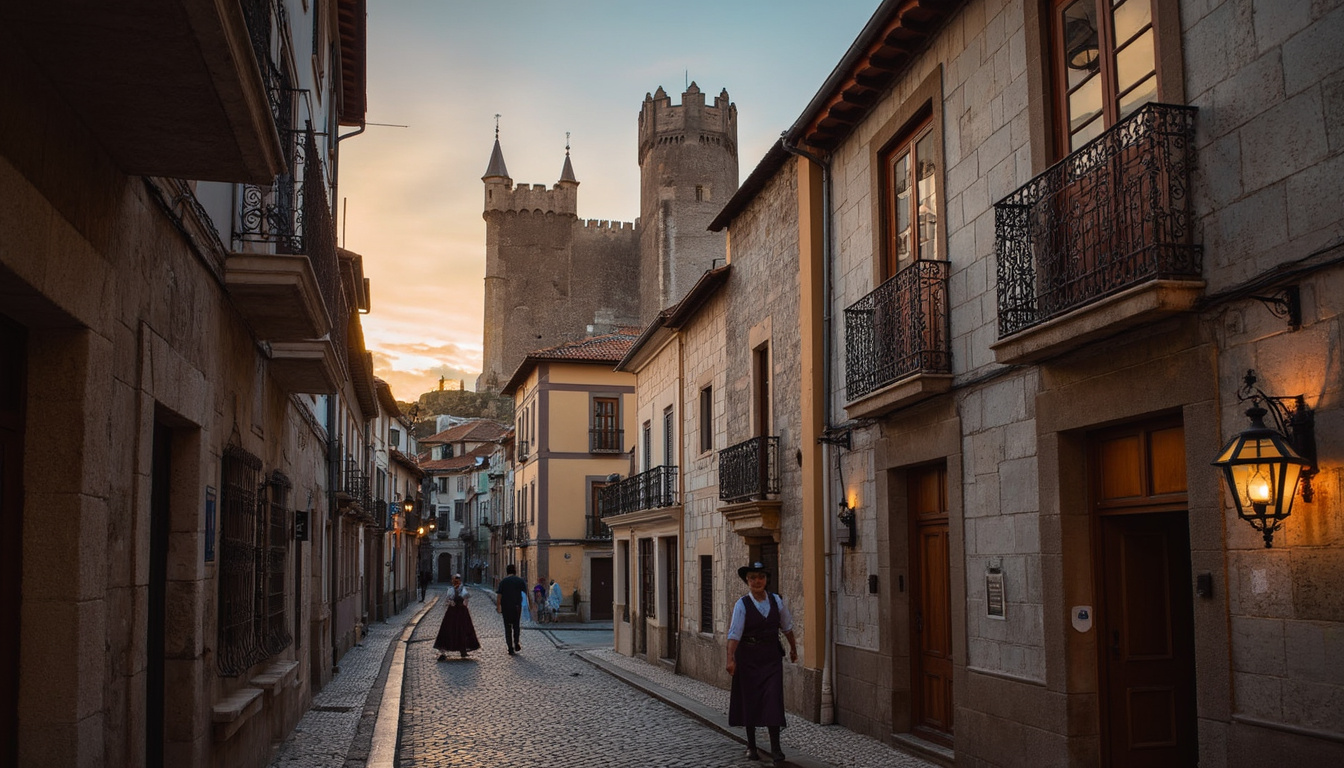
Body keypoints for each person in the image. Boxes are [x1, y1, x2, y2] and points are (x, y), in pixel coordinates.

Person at [726, 562, 797, 766]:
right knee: (750, 699)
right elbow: (734, 634)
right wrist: (730, 659)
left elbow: (787, 627)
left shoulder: (776, 601)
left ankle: (776, 749)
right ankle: (751, 745)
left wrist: (793, 649)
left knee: (773, 698)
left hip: (770, 657)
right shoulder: (742, 605)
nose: (757, 581)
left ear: (766, 580)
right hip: (748, 658)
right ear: (747, 581)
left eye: (761, 577)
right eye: (752, 578)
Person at [433, 574, 481, 661]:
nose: (456, 582)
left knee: (460, 630)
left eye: (457, 581)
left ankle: (462, 650)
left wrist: (458, 603)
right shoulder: (452, 590)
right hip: (455, 613)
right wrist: (451, 602)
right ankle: (452, 650)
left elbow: (465, 602)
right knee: (451, 630)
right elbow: (448, 601)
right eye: (455, 581)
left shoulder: (462, 590)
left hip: (458, 613)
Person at [495, 564, 528, 655]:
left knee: (507, 627)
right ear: (515, 571)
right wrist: (531, 606)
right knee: (516, 625)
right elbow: (527, 593)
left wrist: (498, 607)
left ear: (507, 571)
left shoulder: (503, 582)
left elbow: (499, 596)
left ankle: (510, 648)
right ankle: (516, 642)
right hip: (517, 607)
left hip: (506, 607)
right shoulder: (520, 581)